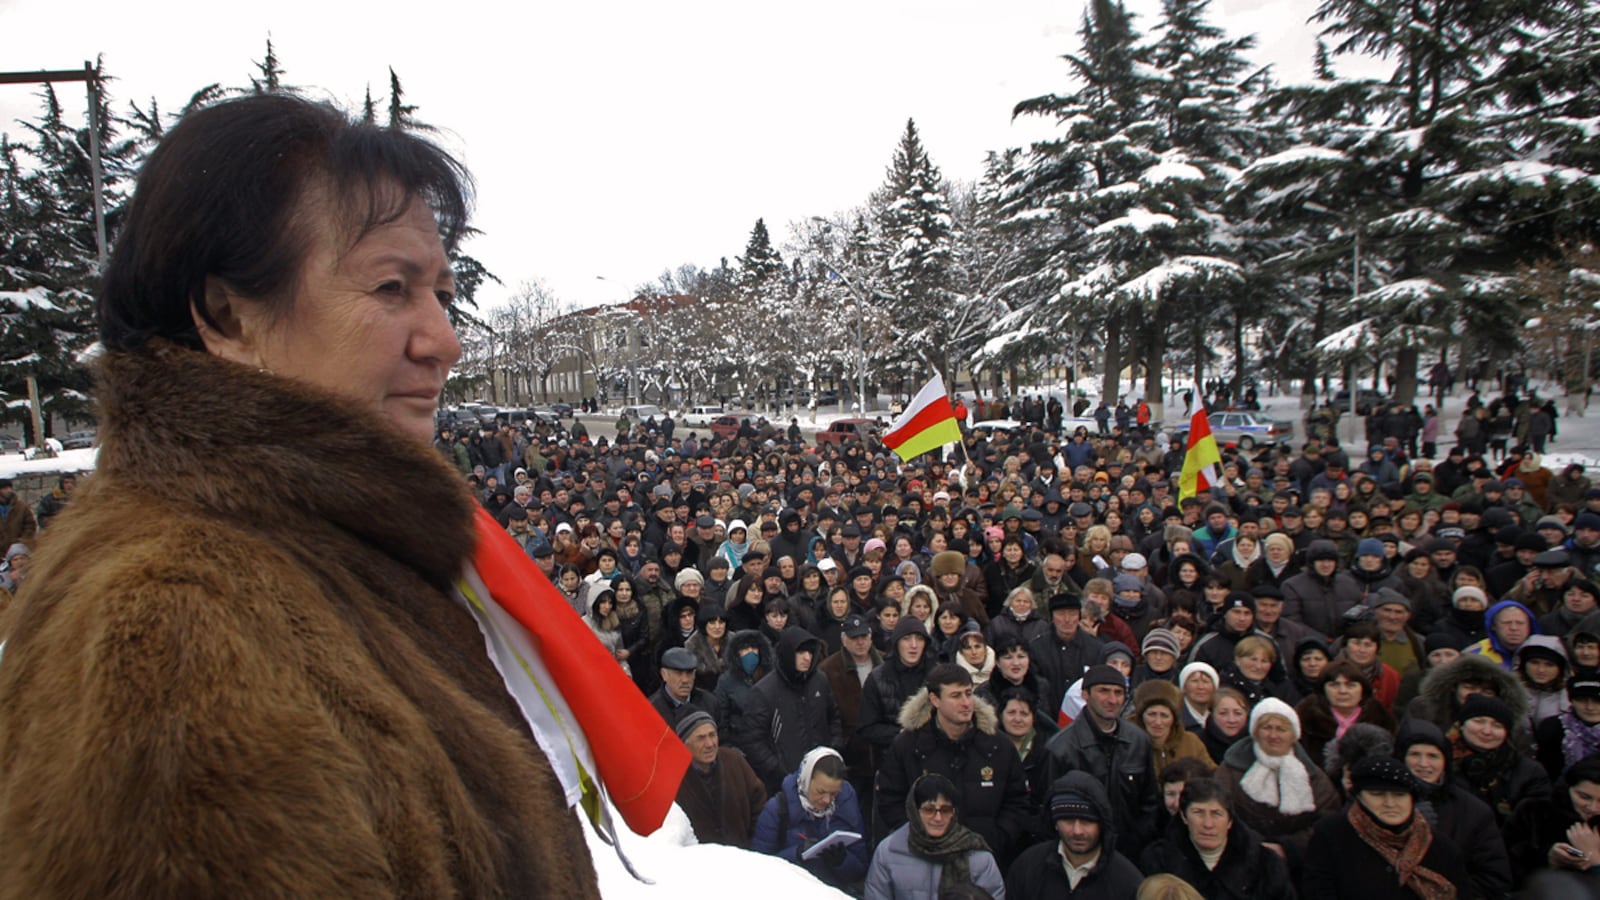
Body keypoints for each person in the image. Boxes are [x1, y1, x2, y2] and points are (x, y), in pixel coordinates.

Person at [0, 94, 701, 896]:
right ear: (228, 316)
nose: (445, 339)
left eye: (440, 292)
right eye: (391, 288)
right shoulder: (173, 624)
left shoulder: (330, 550)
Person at [875, 664, 1032, 864]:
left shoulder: (998, 745)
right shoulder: (908, 745)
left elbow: (1017, 801)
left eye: (968, 693)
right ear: (935, 700)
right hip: (923, 859)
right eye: (956, 696)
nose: (966, 702)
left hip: (985, 858)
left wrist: (996, 839)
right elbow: (890, 799)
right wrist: (921, 841)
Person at [1302, 755, 1473, 900]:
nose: (1390, 804)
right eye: (1377, 795)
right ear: (1359, 797)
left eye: (1399, 795)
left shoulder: (1439, 846)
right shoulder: (1332, 834)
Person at [1043, 664, 1160, 858]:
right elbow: (1048, 812)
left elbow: (1149, 802)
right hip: (1079, 853)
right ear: (1085, 695)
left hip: (1130, 853)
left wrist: (1139, 840)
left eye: (1118, 692)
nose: (1112, 700)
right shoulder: (1060, 749)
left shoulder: (1138, 741)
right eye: (1103, 691)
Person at [1210, 698, 1341, 872]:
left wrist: (1287, 847)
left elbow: (1326, 820)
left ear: (1294, 735)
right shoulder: (1230, 769)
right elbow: (1218, 811)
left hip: (1297, 865)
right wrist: (1255, 846)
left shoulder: (1313, 776)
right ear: (1255, 732)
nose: (1273, 736)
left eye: (1281, 729)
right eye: (1267, 728)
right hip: (1240, 860)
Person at [1394, 720, 1514, 898]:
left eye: (1433, 756)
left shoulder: (1474, 811)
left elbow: (1494, 878)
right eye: (1415, 754)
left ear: (1445, 762)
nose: (1423, 764)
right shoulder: (1378, 802)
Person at [1137, 777, 1295, 900]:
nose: (1208, 824)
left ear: (1230, 821)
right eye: (1198, 812)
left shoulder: (1265, 864)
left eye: (1216, 814)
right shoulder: (1158, 860)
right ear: (1184, 816)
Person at [1005, 770, 1145, 899]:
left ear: (1102, 824)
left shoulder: (1127, 881)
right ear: (1055, 823)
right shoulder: (1027, 868)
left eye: (1087, 821)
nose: (1077, 831)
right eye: (1068, 820)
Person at [865, 773, 1006, 899]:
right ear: (914, 811)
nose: (938, 818)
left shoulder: (977, 854)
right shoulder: (888, 852)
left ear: (954, 813)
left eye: (945, 810)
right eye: (929, 810)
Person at [737, 628, 843, 792]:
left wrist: (833, 751)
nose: (807, 657)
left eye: (810, 652)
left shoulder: (820, 680)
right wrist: (779, 771)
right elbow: (752, 741)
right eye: (800, 652)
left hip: (822, 776)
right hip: (783, 784)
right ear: (788, 652)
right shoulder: (765, 692)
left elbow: (833, 718)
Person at [751, 747, 868, 891]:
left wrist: (842, 861)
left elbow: (860, 869)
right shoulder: (777, 809)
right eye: (821, 792)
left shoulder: (846, 803)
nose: (826, 800)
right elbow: (760, 867)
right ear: (806, 780)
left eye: (834, 794)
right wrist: (797, 854)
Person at [1449, 693, 1551, 828]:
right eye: (1479, 721)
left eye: (1497, 725)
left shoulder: (1529, 771)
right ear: (1461, 725)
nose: (1487, 731)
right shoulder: (1439, 761)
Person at [673, 710, 767, 849]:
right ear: (685, 744)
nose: (710, 744)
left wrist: (753, 842)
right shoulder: (675, 778)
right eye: (701, 738)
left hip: (743, 854)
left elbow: (758, 801)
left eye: (712, 735)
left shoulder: (734, 760)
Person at [1505, 756, 1600, 885]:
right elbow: (1504, 864)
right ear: (1568, 788)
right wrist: (1547, 859)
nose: (1592, 808)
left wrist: (1595, 860)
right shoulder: (1534, 811)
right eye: (1584, 797)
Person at [1294, 659, 1397, 768]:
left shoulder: (1381, 720)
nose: (1343, 691)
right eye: (1334, 685)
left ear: (1363, 689)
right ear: (1323, 690)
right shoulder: (1305, 720)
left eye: (1350, 685)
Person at [1133, 680, 1214, 779]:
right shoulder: (1127, 742)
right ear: (1141, 716)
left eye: (1164, 716)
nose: (1158, 722)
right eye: (1152, 714)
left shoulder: (1191, 742)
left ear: (1174, 719)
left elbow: (1212, 776)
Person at [651, 646, 721, 730]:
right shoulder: (652, 709)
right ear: (664, 675)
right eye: (678, 673)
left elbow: (723, 736)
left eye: (689, 673)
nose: (685, 680)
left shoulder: (709, 702)